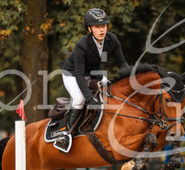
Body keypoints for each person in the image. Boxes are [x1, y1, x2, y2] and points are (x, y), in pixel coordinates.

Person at [54, 8, 129, 152]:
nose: (102, 30)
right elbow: (79, 75)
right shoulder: (82, 44)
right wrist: (90, 99)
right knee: (79, 99)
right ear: (89, 29)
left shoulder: (112, 40)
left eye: (104, 26)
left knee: (112, 92)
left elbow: (122, 63)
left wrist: (132, 77)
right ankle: (66, 135)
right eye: (97, 27)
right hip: (72, 73)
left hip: (94, 72)